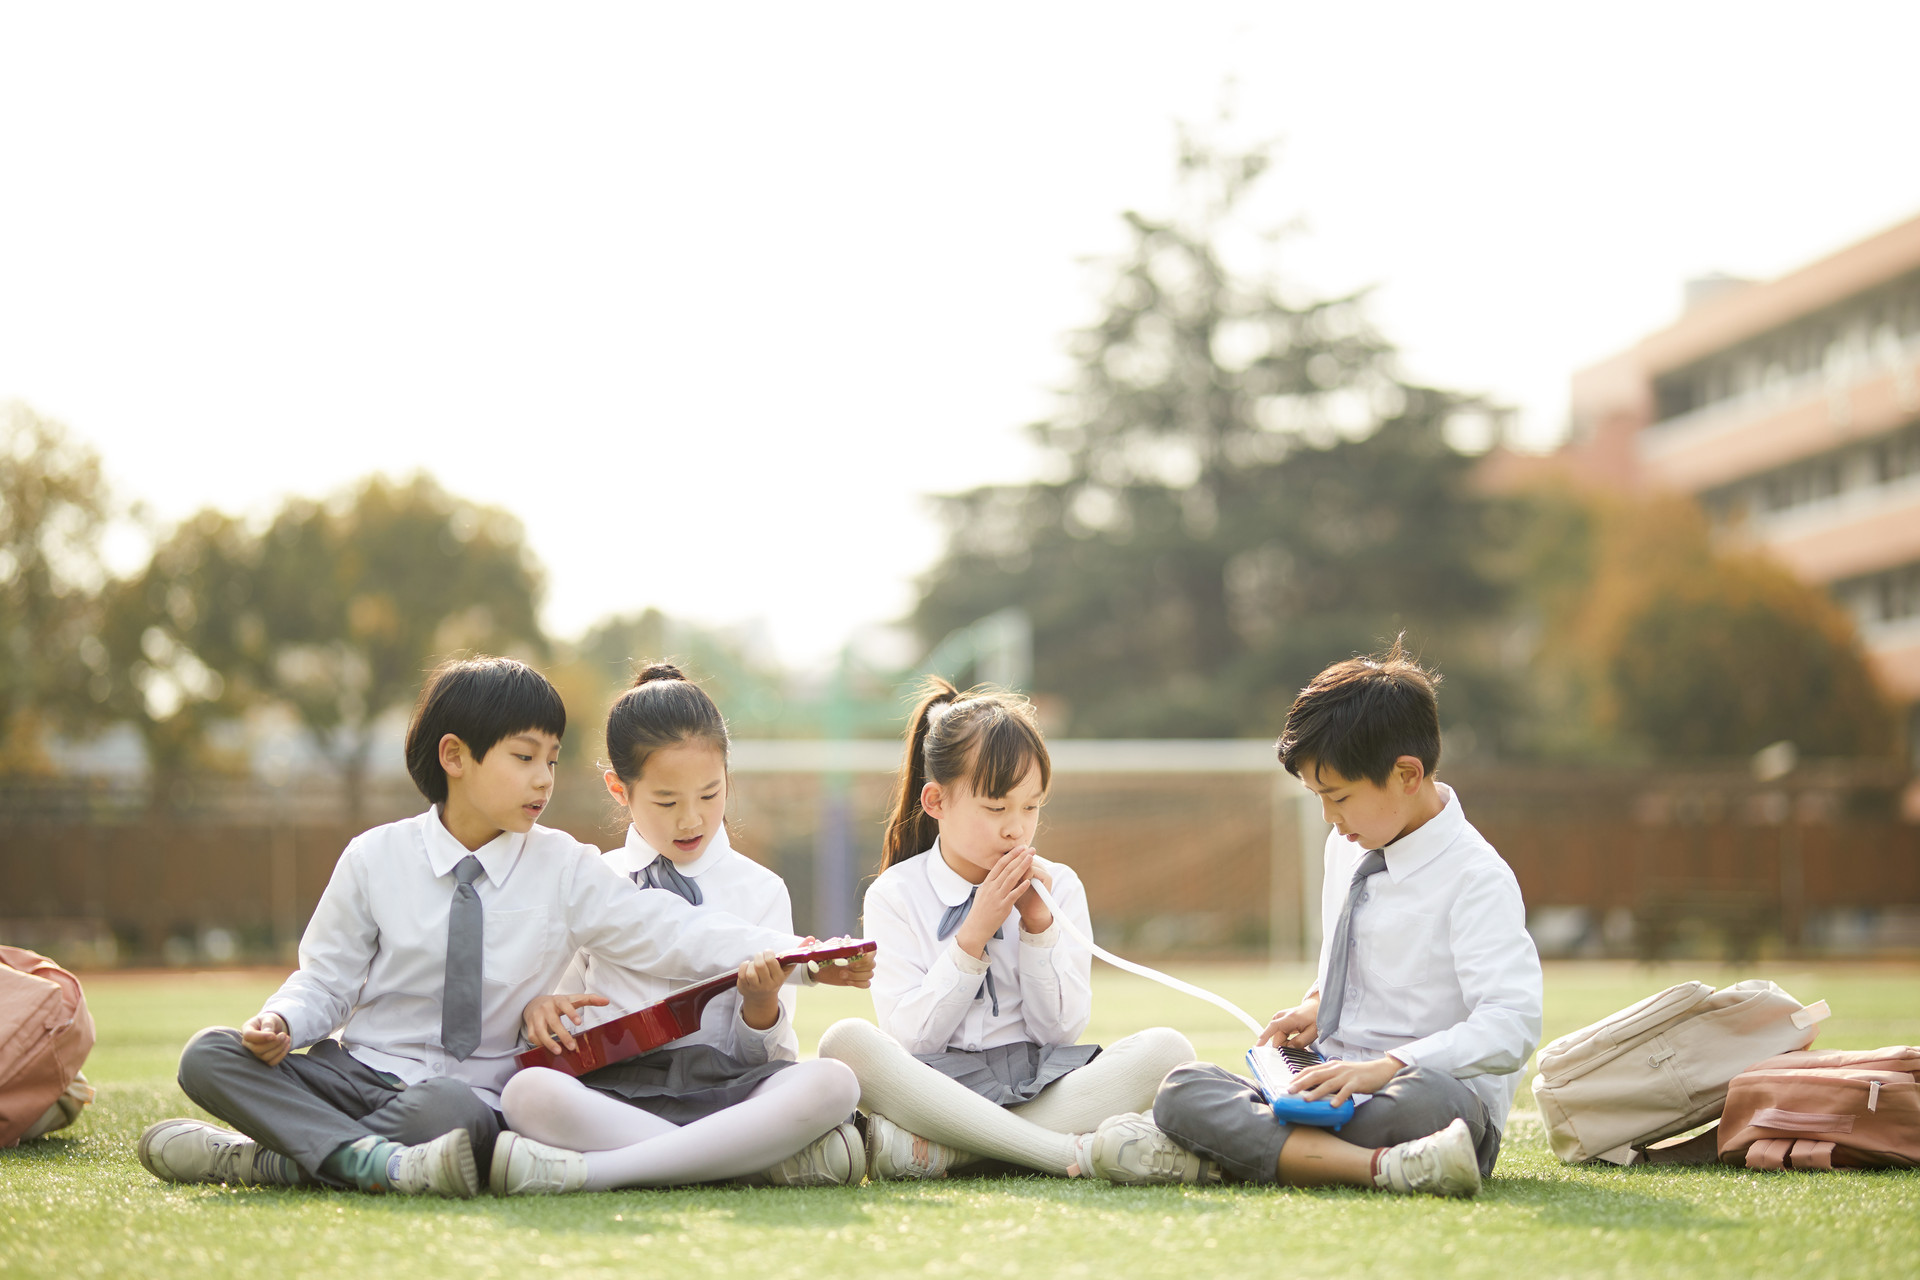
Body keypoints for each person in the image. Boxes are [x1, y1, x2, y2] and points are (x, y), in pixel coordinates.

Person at [141, 656, 861, 1198]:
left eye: (550, 759)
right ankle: (347, 1158)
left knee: (456, 1118)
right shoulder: (374, 857)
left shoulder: (566, 868)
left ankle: (270, 1158)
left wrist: (799, 954)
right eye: (525, 759)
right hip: (356, 1070)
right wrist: (281, 1020)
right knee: (209, 1055)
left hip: (459, 1097)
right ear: (456, 757)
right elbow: (325, 980)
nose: (545, 780)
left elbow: (672, 933)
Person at [1112, 640, 1541, 1198]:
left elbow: (1512, 1024)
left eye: (1337, 796)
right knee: (1182, 1090)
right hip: (1326, 1085)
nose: (1328, 818)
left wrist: (1385, 1067)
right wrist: (1317, 1005)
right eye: (1317, 796)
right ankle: (1379, 1166)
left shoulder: (1476, 877)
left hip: (1418, 1098)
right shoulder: (1350, 844)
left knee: (1431, 1101)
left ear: (1408, 775)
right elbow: (1349, 966)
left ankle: (1229, 1158)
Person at [502, 663, 868, 1189]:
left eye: (711, 794)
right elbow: (554, 1017)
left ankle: (600, 1172)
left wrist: (761, 1007)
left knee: (834, 1083)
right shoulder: (591, 881)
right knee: (526, 1093)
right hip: (616, 1093)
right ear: (618, 788)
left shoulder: (760, 889)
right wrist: (542, 1013)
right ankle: (739, 1161)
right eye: (667, 802)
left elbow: (765, 1058)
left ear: (728, 777)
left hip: (726, 1093)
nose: (692, 819)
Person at [817, 679, 1196, 1181]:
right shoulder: (894, 893)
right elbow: (911, 1041)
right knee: (844, 1042)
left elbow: (1059, 1033)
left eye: (1031, 807)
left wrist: (1039, 929)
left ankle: (948, 1151)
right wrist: (973, 937)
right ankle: (1067, 1153)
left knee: (1169, 1051)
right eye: (995, 808)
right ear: (936, 802)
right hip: (938, 1086)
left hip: (1038, 1081)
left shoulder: (1059, 887)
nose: (1015, 827)